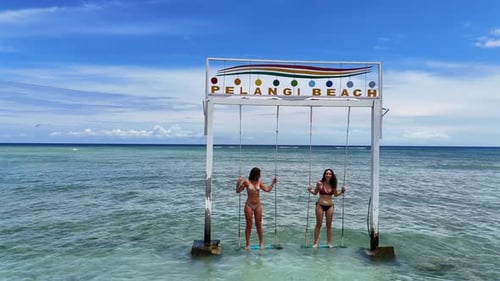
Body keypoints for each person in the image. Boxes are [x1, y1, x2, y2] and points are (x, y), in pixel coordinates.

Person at [236, 167, 278, 250]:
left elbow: (267, 189)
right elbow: (238, 191)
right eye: (258, 175)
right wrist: (238, 183)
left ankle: (261, 242)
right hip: (249, 205)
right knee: (249, 224)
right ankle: (247, 244)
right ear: (253, 174)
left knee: (259, 224)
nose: (259, 176)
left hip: (258, 205)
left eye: (259, 175)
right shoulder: (246, 182)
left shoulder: (259, 182)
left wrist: (273, 183)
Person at [307, 168, 346, 248]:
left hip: (330, 206)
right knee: (319, 224)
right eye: (327, 173)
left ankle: (329, 243)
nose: (328, 175)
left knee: (329, 225)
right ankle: (315, 243)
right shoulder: (320, 183)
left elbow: (335, 194)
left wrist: (342, 191)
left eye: (330, 174)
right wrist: (310, 190)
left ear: (332, 175)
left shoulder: (333, 184)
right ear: (324, 175)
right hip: (320, 205)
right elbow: (315, 193)